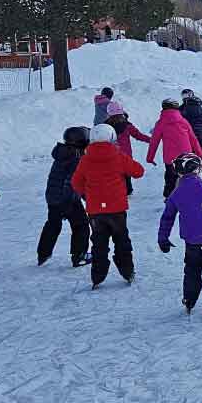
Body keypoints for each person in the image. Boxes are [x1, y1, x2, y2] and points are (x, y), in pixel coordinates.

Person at [71, 123, 145, 288]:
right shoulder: (118, 155)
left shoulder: (85, 159)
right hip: (116, 209)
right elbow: (138, 171)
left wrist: (87, 194)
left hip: (96, 210)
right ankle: (127, 271)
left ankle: (97, 276)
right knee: (122, 240)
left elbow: (76, 182)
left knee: (99, 243)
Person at [158, 153, 202, 314]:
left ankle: (189, 299)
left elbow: (167, 217)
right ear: (198, 169)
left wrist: (163, 238)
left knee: (192, 269)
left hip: (191, 240)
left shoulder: (176, 194)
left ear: (179, 172)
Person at [37, 126, 91, 268]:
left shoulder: (63, 153)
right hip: (67, 199)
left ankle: (43, 253)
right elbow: (73, 182)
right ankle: (79, 256)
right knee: (81, 225)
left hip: (53, 197)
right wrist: (80, 200)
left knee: (53, 224)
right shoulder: (75, 158)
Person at [146, 98, 202, 198]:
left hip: (170, 158)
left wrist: (150, 158)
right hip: (186, 156)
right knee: (186, 177)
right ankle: (187, 196)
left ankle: (169, 197)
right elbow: (193, 139)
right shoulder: (183, 121)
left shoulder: (160, 123)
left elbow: (154, 142)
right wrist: (200, 153)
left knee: (170, 178)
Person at [104, 101, 150, 196]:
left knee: (115, 174)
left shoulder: (105, 127)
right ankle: (128, 190)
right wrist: (151, 140)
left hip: (111, 156)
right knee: (126, 173)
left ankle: (118, 189)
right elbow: (138, 135)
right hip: (126, 156)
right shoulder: (127, 125)